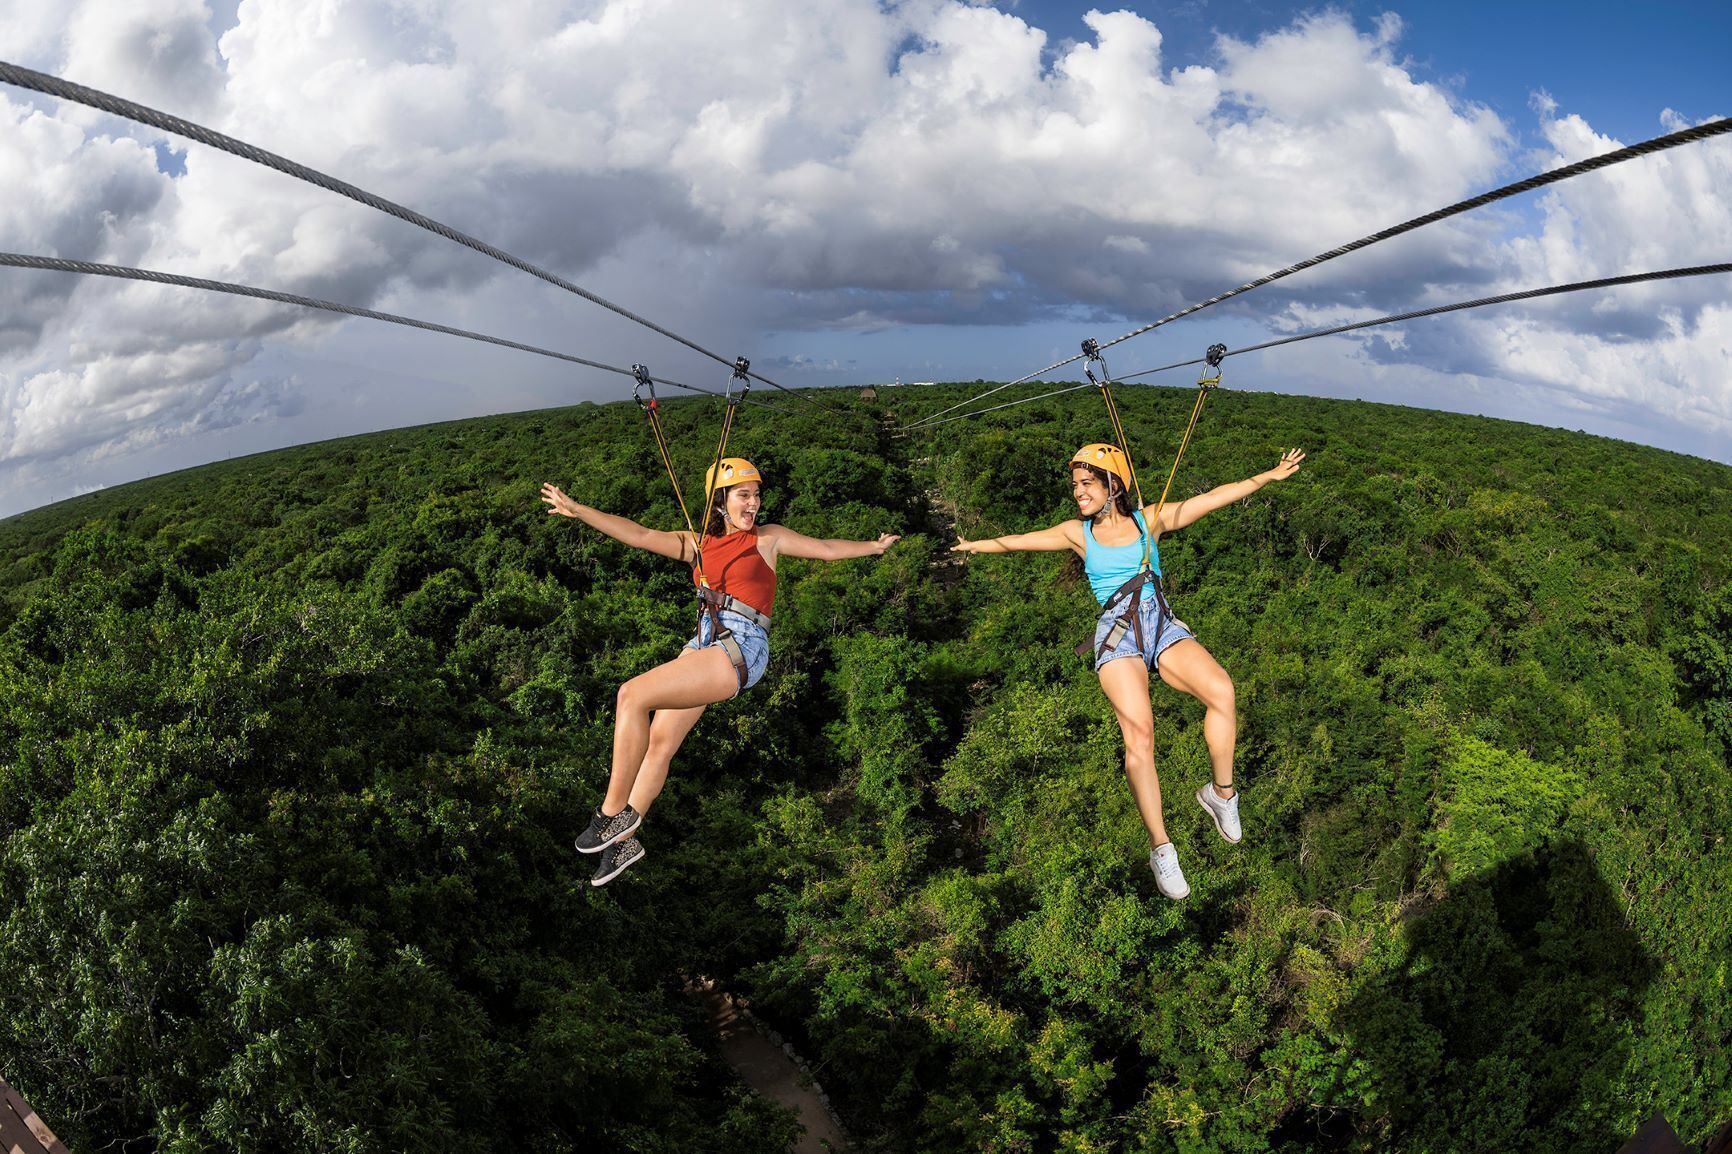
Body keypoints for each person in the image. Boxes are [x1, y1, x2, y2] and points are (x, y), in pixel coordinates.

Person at [953, 443, 1305, 898]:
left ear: (1112, 486)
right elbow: (1019, 541)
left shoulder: (1148, 520)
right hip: (1118, 634)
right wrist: (973, 546)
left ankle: (1221, 793)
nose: (1078, 493)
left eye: (1086, 484)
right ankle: (1162, 848)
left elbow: (1215, 497)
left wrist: (1269, 476)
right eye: (1075, 486)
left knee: (1222, 690)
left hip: (1161, 624)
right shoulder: (1077, 533)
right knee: (1140, 734)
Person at [541, 458, 901, 886]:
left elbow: (824, 549)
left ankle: (609, 815)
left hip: (741, 646)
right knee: (659, 739)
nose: (754, 504)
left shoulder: (768, 539)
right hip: (704, 645)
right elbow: (637, 535)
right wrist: (579, 510)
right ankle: (626, 842)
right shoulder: (697, 544)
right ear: (720, 503)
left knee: (631, 695)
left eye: (756, 495)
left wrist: (872, 547)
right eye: (744, 496)